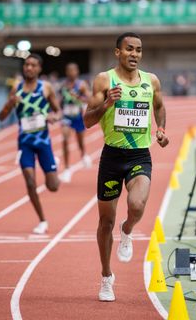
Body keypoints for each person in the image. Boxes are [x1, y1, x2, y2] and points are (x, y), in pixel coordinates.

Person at [83, 32, 169, 302]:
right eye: (129, 49)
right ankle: (106, 277)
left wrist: (162, 129)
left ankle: (128, 229)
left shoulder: (151, 80)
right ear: (117, 52)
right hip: (112, 157)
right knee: (105, 222)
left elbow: (160, 106)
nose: (134, 54)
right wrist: (107, 104)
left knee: (137, 205)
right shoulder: (104, 80)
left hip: (139, 155)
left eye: (139, 50)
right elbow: (86, 120)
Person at [0, 54, 61, 234]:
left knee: (53, 186)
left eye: (33, 65)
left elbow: (58, 111)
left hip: (43, 142)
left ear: (39, 69)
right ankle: (42, 220)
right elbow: (1, 117)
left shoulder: (46, 87)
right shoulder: (16, 89)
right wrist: (10, 104)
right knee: (30, 181)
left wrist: (53, 117)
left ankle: (54, 163)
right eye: (26, 64)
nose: (29, 68)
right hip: (25, 143)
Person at [59, 62, 92, 183]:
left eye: (73, 70)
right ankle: (67, 169)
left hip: (78, 116)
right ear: (66, 72)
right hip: (66, 116)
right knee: (65, 139)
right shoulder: (63, 85)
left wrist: (78, 97)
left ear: (77, 72)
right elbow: (59, 100)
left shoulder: (81, 85)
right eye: (69, 70)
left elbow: (90, 99)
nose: (71, 73)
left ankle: (83, 154)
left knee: (80, 142)